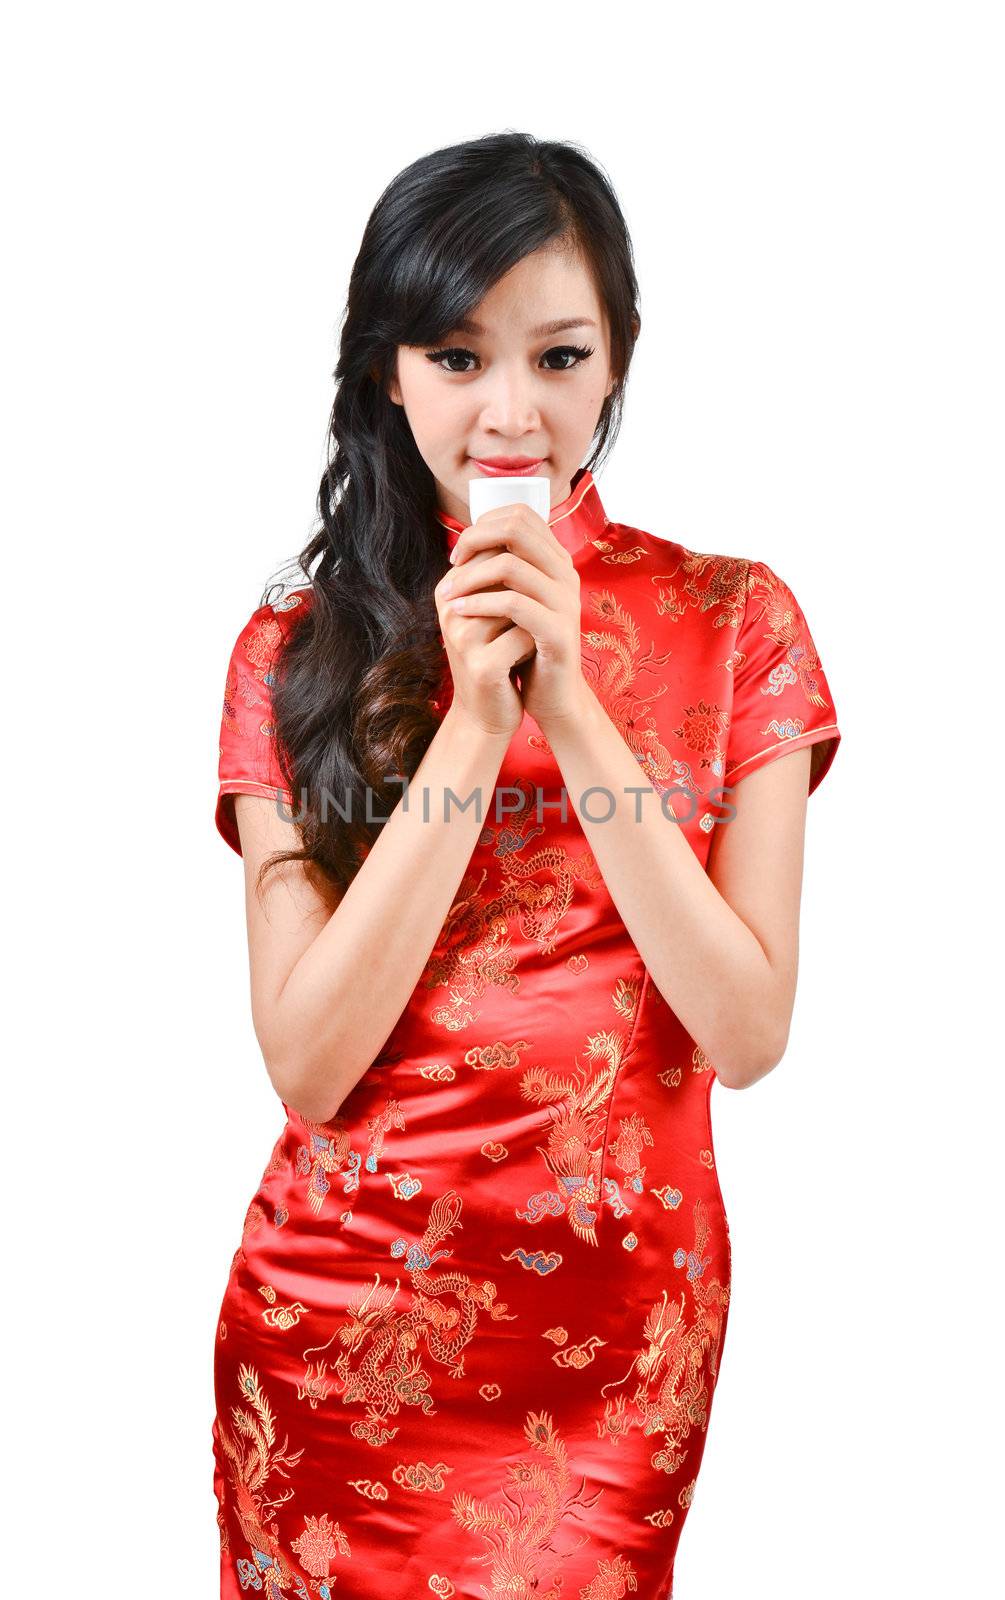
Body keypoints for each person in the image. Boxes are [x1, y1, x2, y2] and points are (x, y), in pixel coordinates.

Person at [211, 131, 841, 1600]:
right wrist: (476, 716)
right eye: (454, 355)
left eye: (557, 357)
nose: (510, 411)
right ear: (388, 371)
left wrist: (571, 700)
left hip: (614, 1351)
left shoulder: (736, 619)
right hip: (342, 1323)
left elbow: (746, 1034)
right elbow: (308, 1063)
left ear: (616, 360)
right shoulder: (291, 653)